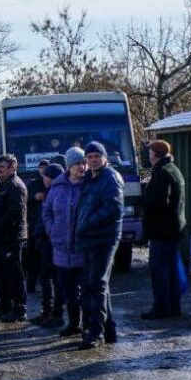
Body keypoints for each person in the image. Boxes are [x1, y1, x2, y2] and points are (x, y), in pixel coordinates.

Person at [75, 141, 124, 350]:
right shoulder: (89, 178)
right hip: (89, 238)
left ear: (104, 158)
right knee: (97, 284)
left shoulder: (110, 178)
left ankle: (96, 333)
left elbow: (113, 209)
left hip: (104, 238)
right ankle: (109, 329)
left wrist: (87, 222)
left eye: (96, 156)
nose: (93, 160)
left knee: (97, 284)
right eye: (90, 157)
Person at [141, 140, 187, 320]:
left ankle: (160, 306)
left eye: (150, 152)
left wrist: (145, 197)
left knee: (159, 271)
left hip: (162, 230)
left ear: (155, 154)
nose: (148, 155)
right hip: (174, 229)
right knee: (172, 271)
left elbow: (158, 201)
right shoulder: (174, 170)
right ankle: (173, 306)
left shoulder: (162, 173)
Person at [44, 152, 85, 336]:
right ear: (69, 166)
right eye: (77, 164)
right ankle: (74, 322)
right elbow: (47, 211)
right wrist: (53, 231)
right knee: (68, 290)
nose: (82, 167)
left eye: (83, 163)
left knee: (86, 291)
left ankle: (87, 324)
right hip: (61, 249)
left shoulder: (89, 185)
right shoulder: (58, 186)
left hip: (82, 248)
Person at [0, 154, 29, 323]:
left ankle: (19, 309)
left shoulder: (15, 186)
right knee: (0, 275)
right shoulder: (2, 185)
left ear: (13, 167)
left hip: (11, 238)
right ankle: (4, 306)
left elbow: (14, 214)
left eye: (2, 167)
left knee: (13, 275)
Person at [32, 162, 65, 327]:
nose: (43, 179)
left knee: (56, 280)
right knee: (46, 278)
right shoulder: (50, 193)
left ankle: (56, 314)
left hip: (54, 242)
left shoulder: (58, 194)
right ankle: (47, 312)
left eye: (46, 177)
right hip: (46, 241)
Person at [25, 159, 50, 295]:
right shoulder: (33, 183)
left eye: (46, 167)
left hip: (48, 226)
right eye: (41, 168)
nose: (43, 170)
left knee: (46, 261)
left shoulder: (53, 183)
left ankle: (46, 289)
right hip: (34, 224)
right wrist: (35, 197)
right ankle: (30, 286)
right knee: (33, 259)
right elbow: (26, 202)